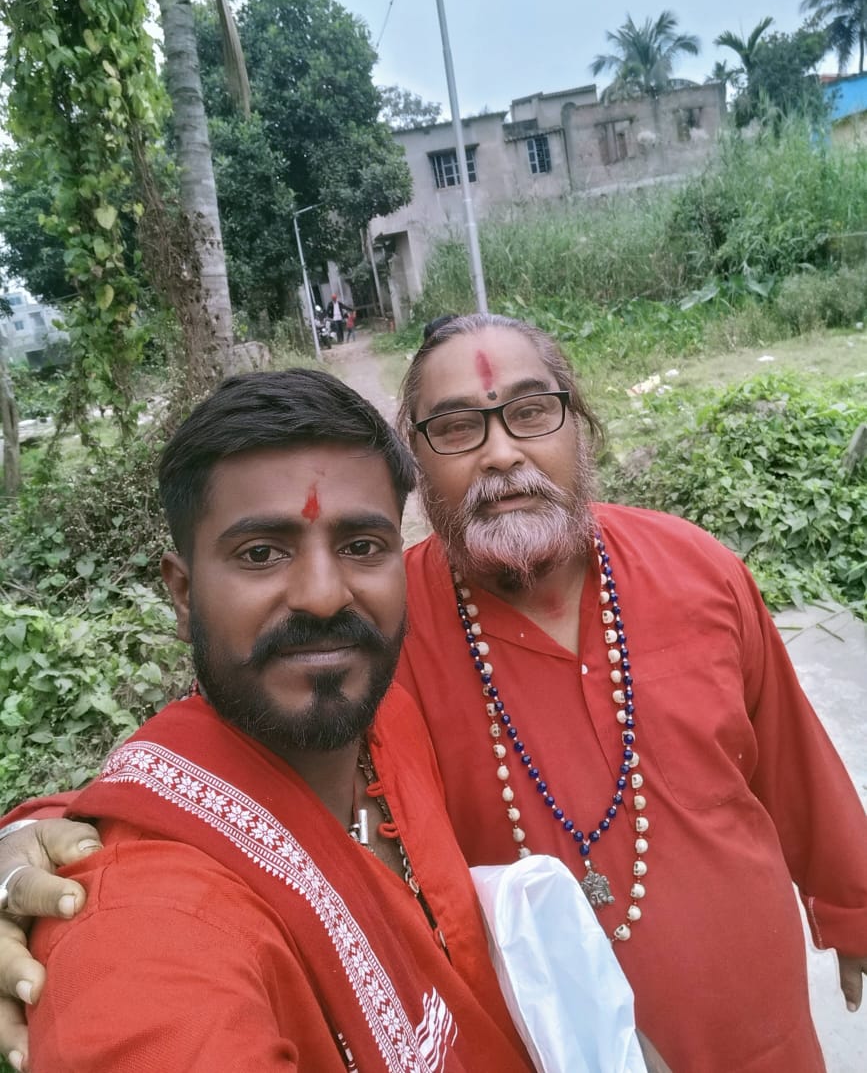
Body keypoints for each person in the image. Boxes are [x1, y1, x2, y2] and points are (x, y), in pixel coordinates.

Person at [2, 314, 866, 1071]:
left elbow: (792, 758)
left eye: (532, 412)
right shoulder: (376, 628)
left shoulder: (696, 566)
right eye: (455, 428)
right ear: (417, 464)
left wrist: (851, 903)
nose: (501, 452)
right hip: (552, 1043)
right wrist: (40, 835)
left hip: (760, 1030)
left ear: (582, 429)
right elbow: (227, 764)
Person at [1, 370, 536, 1072]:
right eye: (261, 553)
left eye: (362, 546)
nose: (323, 596)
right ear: (183, 592)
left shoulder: (391, 720)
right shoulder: (141, 925)